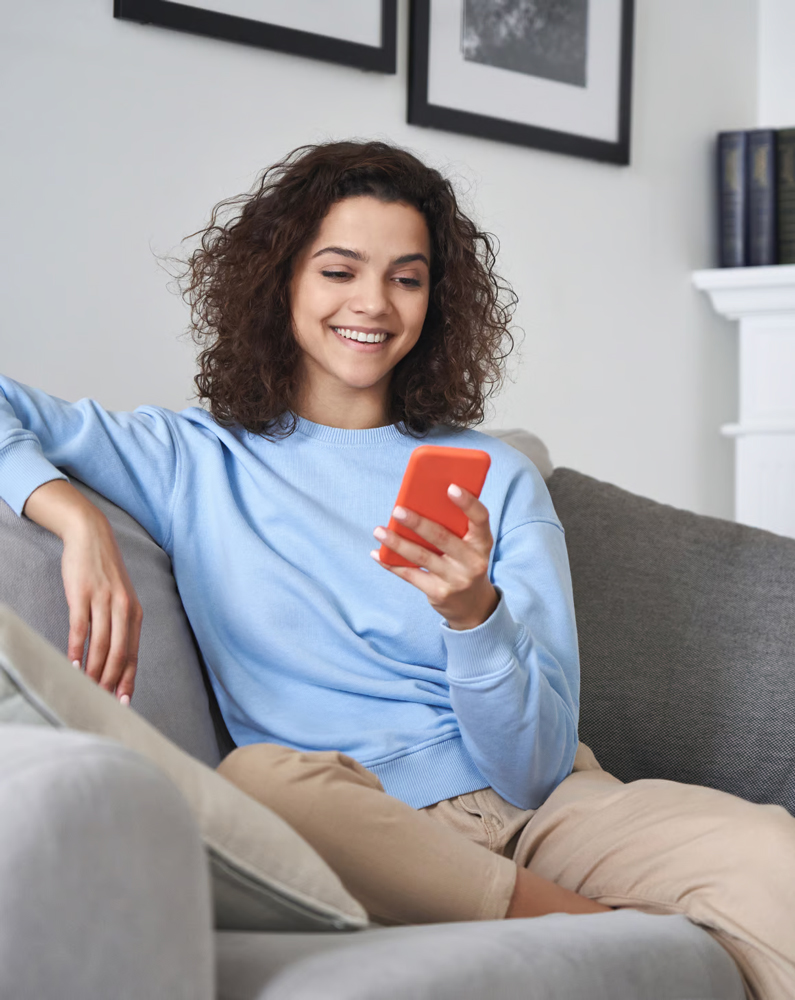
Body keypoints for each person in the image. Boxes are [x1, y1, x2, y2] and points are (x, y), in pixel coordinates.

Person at [0, 140, 792, 999]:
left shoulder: (499, 476)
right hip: (357, 818)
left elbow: (533, 768)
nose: (372, 304)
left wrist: (474, 617)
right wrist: (69, 513)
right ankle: (589, 927)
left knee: (769, 853)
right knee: (258, 782)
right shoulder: (187, 458)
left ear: (435, 300)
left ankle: (561, 910)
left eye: (407, 278)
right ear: (283, 282)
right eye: (339, 270)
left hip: (549, 812)